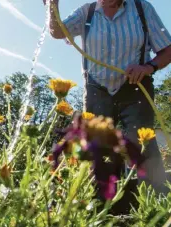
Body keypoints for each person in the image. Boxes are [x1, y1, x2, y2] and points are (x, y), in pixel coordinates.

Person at [48, 0, 171, 194]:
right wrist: (52, 6)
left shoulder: (142, 9)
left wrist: (148, 67)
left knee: (142, 143)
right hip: (98, 88)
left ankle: (156, 202)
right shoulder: (87, 12)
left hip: (136, 87)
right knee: (97, 147)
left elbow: (167, 50)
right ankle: (100, 203)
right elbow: (58, 32)